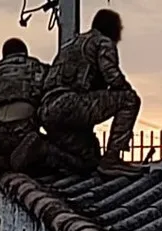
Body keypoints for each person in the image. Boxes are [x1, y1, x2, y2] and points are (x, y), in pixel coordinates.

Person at [0, 39, 83, 231]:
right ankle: (25, 158)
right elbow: (47, 102)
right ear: (24, 52)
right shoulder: (37, 67)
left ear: (4, 55)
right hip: (23, 127)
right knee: (40, 153)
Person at [40, 9, 146, 178]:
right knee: (130, 100)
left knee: (88, 160)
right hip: (72, 103)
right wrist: (125, 88)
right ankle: (112, 159)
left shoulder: (70, 44)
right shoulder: (102, 42)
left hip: (48, 112)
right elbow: (111, 74)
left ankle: (42, 150)